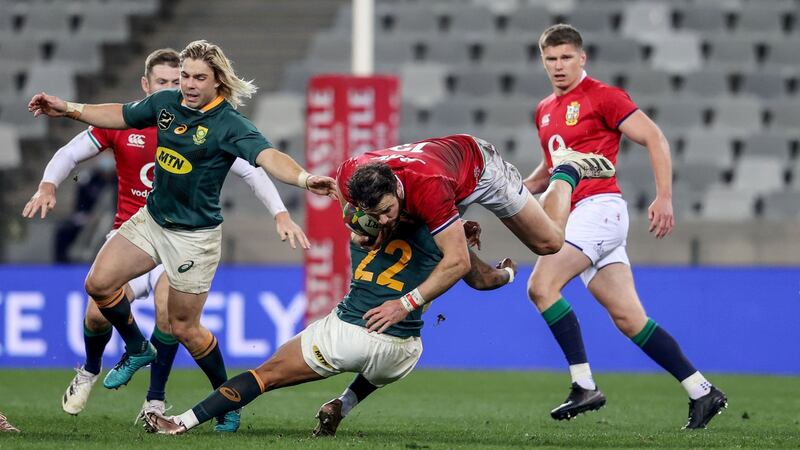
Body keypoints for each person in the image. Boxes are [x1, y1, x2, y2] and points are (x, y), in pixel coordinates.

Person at [27, 39, 336, 432]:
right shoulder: (166, 104)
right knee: (99, 284)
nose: (188, 84)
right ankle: (138, 347)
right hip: (151, 220)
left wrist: (306, 179)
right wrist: (68, 109)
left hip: (194, 238)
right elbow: (119, 114)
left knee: (184, 328)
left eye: (198, 77)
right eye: (185, 76)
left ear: (218, 81)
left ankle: (228, 398)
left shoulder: (230, 125)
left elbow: (267, 158)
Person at [523, 24, 727, 429]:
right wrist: (512, 192)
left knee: (541, 286)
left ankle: (583, 384)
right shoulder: (545, 109)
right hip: (585, 217)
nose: (559, 66)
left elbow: (654, 138)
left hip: (598, 209)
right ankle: (702, 391)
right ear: (542, 61)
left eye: (566, 57)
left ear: (582, 58)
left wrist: (664, 196)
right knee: (630, 319)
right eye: (551, 59)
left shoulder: (604, 97)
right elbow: (551, 168)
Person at [141, 220, 518, 435]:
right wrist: (509, 269)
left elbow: (362, 229)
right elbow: (487, 281)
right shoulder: (446, 240)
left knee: (263, 376)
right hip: (402, 352)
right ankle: (342, 404)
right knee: (378, 365)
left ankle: (180, 422)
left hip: (348, 334)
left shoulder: (367, 229)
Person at [334, 134, 614, 334]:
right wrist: (359, 229)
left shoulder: (429, 189)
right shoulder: (350, 177)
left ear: (395, 189)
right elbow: (349, 208)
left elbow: (458, 262)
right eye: (374, 215)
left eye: (387, 210)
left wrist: (405, 304)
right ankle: (494, 272)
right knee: (432, 251)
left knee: (549, 242)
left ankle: (566, 169)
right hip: (442, 170)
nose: (382, 220)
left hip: (478, 167)